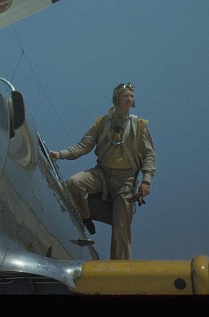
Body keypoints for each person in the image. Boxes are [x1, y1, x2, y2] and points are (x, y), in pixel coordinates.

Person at [49, 83, 155, 260]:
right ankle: (85, 217)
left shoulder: (140, 126)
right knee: (74, 183)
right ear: (117, 98)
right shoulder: (101, 123)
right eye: (126, 96)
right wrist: (60, 154)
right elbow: (83, 147)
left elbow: (149, 155)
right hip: (102, 175)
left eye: (132, 96)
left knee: (121, 229)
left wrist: (146, 180)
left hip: (125, 182)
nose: (130, 99)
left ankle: (119, 272)